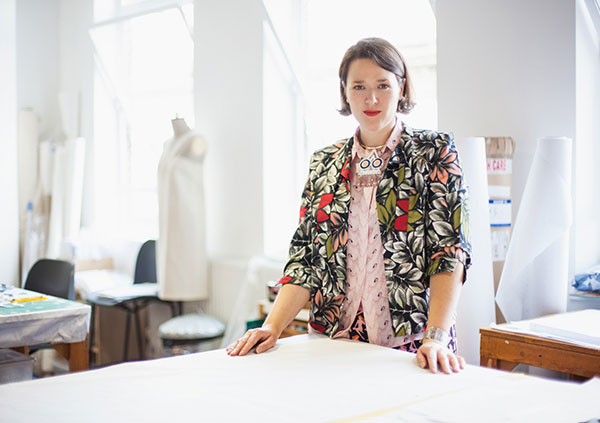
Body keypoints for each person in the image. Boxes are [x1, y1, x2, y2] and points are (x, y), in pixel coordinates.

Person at [227, 37, 472, 374]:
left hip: (414, 345)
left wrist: (436, 337)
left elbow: (449, 252)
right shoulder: (324, 163)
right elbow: (305, 260)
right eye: (359, 87)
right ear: (344, 91)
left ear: (401, 88)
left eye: (383, 85)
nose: (371, 99)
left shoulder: (434, 152)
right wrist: (272, 326)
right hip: (334, 344)